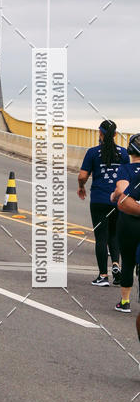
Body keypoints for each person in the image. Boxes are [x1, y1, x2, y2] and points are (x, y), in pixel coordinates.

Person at [78, 119, 129, 286]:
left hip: (99, 199)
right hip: (118, 200)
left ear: (99, 133)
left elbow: (82, 176)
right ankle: (116, 264)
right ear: (115, 134)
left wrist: (81, 187)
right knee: (114, 235)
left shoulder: (92, 153)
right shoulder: (123, 153)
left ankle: (103, 276)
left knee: (101, 237)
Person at [111, 133, 140, 317]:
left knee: (128, 260)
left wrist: (114, 196)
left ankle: (125, 301)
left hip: (129, 220)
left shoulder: (126, 169)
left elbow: (121, 192)